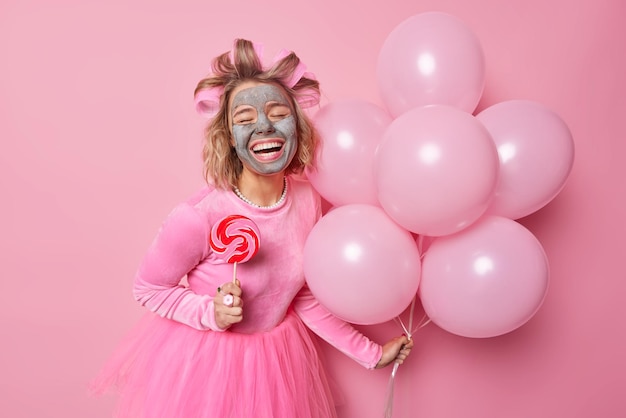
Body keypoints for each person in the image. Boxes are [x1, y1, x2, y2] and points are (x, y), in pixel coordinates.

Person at [91, 38, 413, 418]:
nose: (263, 125)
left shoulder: (310, 202)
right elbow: (148, 288)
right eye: (244, 119)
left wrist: (371, 353)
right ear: (228, 137)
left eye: (278, 112)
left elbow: (303, 296)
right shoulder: (200, 216)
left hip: (278, 361)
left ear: (297, 125)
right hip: (209, 367)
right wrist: (210, 312)